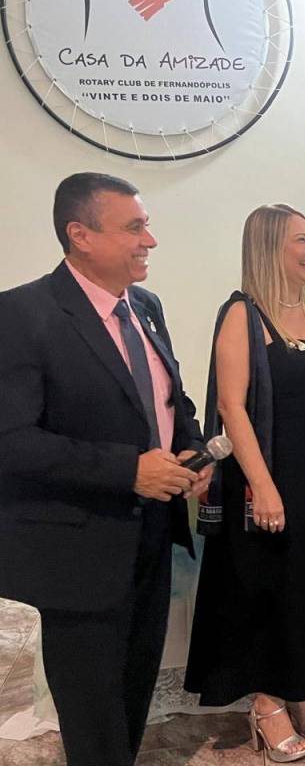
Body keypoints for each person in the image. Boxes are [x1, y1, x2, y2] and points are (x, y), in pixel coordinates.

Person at [0, 173, 212, 766]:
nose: (150, 240)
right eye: (134, 227)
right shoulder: (20, 313)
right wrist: (128, 470)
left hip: (152, 533)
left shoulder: (145, 307)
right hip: (78, 547)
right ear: (81, 235)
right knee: (92, 712)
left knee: (133, 690)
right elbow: (10, 441)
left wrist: (193, 451)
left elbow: (171, 400)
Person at [184, 204, 305, 762]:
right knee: (265, 588)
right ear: (268, 248)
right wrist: (262, 486)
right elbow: (231, 407)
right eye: (300, 241)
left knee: (302, 584)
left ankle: (298, 687)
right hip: (261, 473)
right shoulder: (243, 314)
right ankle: (266, 702)